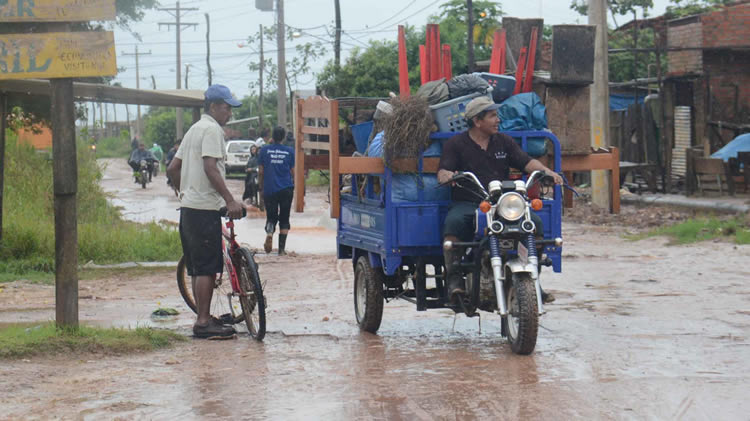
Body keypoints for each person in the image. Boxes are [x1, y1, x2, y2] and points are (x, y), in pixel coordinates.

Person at [437, 96, 563, 303]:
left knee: (535, 225)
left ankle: (532, 280)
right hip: (469, 203)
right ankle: (454, 280)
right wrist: (447, 177)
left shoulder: (504, 141)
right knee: (454, 224)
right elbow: (443, 170)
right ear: (477, 121)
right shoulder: (456, 143)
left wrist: (548, 172)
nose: (498, 120)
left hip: (503, 203)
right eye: (492, 116)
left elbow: (526, 162)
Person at [167, 84, 244, 339]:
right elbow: (211, 168)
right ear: (213, 107)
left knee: (199, 267)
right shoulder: (212, 130)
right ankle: (202, 322)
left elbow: (172, 169)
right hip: (204, 210)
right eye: (226, 107)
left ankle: (204, 317)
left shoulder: (193, 130)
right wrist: (230, 200)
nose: (229, 114)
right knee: (208, 268)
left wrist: (184, 193)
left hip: (189, 209)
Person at [258, 126, 295, 255]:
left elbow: (261, 172)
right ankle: (281, 250)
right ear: (283, 137)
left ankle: (269, 233)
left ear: (272, 137)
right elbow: (293, 172)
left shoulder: (264, 150)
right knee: (284, 218)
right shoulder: (290, 151)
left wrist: (261, 188)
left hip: (270, 188)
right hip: (286, 188)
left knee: (271, 216)